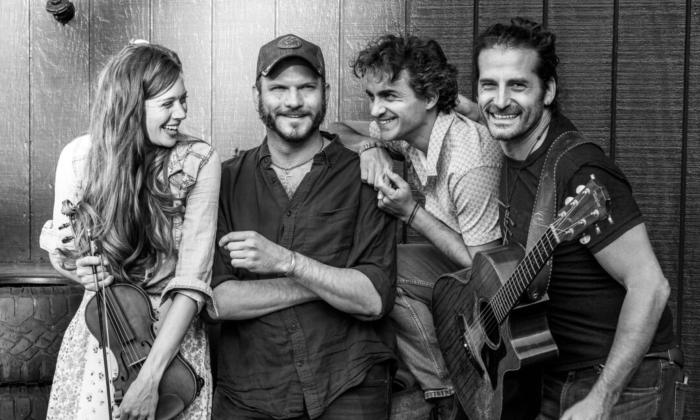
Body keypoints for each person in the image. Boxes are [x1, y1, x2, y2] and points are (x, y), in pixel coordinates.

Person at [472, 18, 684, 419]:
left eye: (518, 85)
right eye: (488, 85)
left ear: (548, 90)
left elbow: (651, 286)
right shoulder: (509, 143)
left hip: (624, 380)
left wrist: (602, 399)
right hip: (550, 371)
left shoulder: (581, 172)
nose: (499, 101)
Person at [208, 34, 397, 419]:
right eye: (278, 88)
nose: (293, 102)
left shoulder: (364, 175)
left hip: (348, 381)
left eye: (306, 88)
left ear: (324, 91)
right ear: (257, 94)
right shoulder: (224, 181)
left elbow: (373, 299)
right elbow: (218, 301)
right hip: (251, 386)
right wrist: (324, 282)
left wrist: (287, 261)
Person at [39, 41, 220, 419]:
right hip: (105, 334)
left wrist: (149, 380)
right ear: (130, 104)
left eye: (183, 100)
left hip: (173, 341)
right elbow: (66, 252)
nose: (181, 113)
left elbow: (193, 280)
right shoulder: (78, 158)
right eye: (167, 104)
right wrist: (79, 270)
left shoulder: (200, 160)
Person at [331, 35, 502, 420]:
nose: (375, 110)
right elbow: (338, 129)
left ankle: (453, 397)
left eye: (389, 95)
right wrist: (369, 148)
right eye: (371, 96)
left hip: (506, 287)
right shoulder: (412, 133)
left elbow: (489, 272)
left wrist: (410, 213)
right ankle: (442, 387)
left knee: (386, 272)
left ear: (428, 98)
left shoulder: (468, 158)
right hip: (463, 263)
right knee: (380, 268)